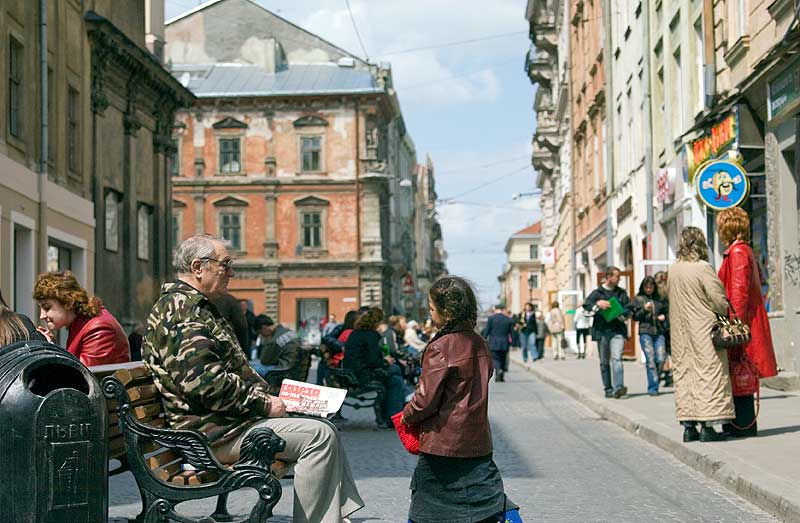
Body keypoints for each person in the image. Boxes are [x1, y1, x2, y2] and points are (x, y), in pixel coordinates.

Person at [142, 233, 363, 522]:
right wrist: (264, 404)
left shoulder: (195, 307)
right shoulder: (184, 312)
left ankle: (334, 516)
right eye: (225, 264)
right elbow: (205, 384)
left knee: (323, 426)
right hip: (209, 434)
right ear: (198, 267)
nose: (231, 272)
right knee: (318, 436)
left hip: (223, 423)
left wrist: (275, 397)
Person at [402, 276, 515, 523]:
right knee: (489, 504)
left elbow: (424, 401)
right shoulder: (480, 343)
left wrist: (405, 415)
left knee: (427, 511)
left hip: (443, 443)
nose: (431, 315)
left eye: (432, 309)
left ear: (446, 311)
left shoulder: (440, 347)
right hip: (477, 439)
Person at [716, 208, 778, 438]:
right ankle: (740, 425)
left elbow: (738, 293)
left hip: (742, 325)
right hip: (745, 323)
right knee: (739, 373)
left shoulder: (738, 252)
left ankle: (742, 426)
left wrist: (733, 327)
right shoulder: (741, 251)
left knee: (740, 372)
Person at [667, 227, 733, 442]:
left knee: (684, 373)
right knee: (708, 372)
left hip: (679, 330)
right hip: (703, 328)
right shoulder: (703, 268)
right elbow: (718, 300)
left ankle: (689, 426)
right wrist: (725, 309)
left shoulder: (673, 269)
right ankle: (708, 426)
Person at [34, 270, 130, 366]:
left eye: (47, 307)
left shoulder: (99, 328)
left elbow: (81, 375)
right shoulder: (81, 324)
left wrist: (51, 347)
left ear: (68, 302)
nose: (42, 316)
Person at [341, 307, 405, 427]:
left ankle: (392, 414)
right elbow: (374, 361)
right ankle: (394, 416)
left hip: (352, 373)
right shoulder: (372, 335)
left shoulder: (355, 333)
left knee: (394, 378)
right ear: (375, 322)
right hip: (363, 375)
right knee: (396, 375)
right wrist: (386, 361)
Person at [584, 266, 632, 398]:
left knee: (617, 359)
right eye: (617, 276)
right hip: (602, 331)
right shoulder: (597, 293)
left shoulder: (621, 293)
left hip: (617, 330)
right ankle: (608, 388)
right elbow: (586, 305)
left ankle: (619, 388)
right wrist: (598, 304)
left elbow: (629, 308)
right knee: (604, 362)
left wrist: (623, 315)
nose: (619, 279)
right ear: (609, 277)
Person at [632, 276, 669, 396]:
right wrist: (644, 309)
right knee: (651, 360)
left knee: (661, 358)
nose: (649, 289)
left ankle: (655, 381)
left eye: (651, 287)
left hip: (659, 332)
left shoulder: (659, 299)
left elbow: (667, 311)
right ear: (643, 287)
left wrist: (664, 317)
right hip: (645, 332)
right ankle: (653, 387)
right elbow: (635, 317)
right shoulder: (639, 299)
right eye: (647, 287)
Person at [482, 305, 515, 382]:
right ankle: (501, 376)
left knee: (495, 358)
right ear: (503, 310)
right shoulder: (508, 319)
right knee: (503, 358)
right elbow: (512, 333)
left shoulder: (491, 318)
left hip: (494, 341)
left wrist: (483, 340)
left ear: (496, 309)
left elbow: (487, 331)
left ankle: (498, 369)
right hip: (504, 342)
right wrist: (513, 343)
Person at [654, 271, 673, 387]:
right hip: (667, 325)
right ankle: (667, 376)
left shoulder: (662, 294)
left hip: (664, 326)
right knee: (666, 352)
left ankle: (666, 375)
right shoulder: (668, 291)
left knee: (664, 352)